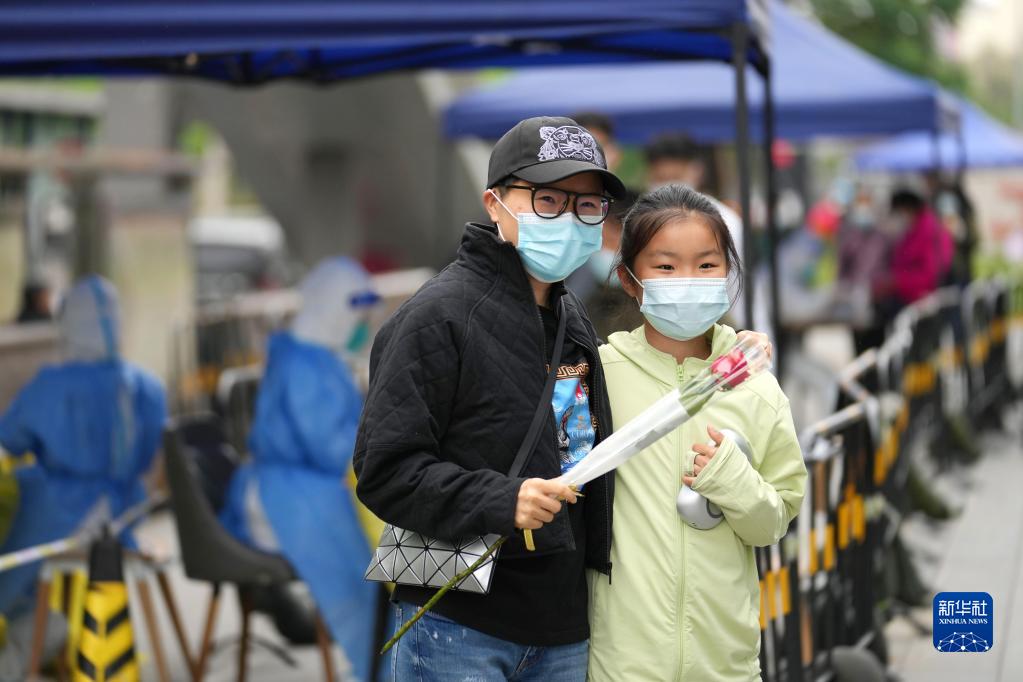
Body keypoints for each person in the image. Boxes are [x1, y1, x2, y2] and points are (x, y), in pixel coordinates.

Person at [354, 116, 623, 681]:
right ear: (495, 203)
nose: (569, 220)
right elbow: (384, 470)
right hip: (459, 624)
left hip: (565, 625)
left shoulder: (572, 319)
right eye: (548, 200)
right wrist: (504, 499)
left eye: (587, 206)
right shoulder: (435, 318)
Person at [588, 184, 806, 681]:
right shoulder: (599, 375)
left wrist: (735, 482)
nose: (687, 280)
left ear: (728, 272)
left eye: (706, 265)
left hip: (723, 661)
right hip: (623, 663)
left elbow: (774, 522)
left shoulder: (756, 386)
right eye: (665, 267)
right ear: (629, 279)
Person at [220, 257, 381, 682]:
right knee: (354, 573)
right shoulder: (303, 365)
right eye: (356, 315)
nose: (361, 325)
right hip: (284, 495)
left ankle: (380, 662)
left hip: (303, 486)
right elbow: (332, 447)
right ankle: (375, 666)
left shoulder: (318, 358)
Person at [0, 276, 167, 616]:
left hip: (66, 518)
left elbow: (10, 439)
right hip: (127, 517)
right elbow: (152, 456)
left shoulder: (53, 386)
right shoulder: (149, 386)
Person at [644, 133, 764, 331]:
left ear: (696, 171)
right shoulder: (642, 222)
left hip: (724, 328)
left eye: (676, 176)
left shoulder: (724, 221)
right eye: (660, 178)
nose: (668, 185)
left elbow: (739, 288)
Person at [567, 189, 643, 339]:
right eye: (601, 240)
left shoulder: (650, 300)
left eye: (614, 241)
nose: (607, 249)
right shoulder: (567, 288)